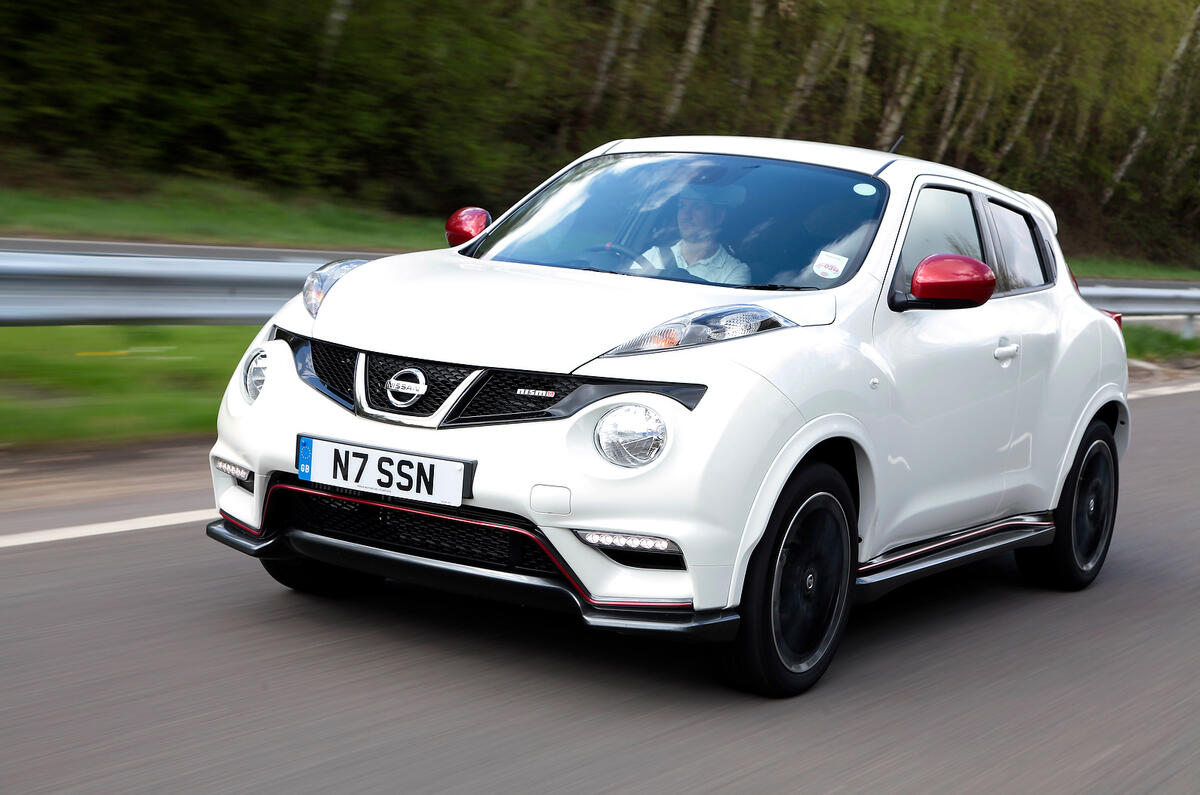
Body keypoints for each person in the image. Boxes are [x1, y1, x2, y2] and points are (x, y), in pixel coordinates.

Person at [639, 183, 751, 285]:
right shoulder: (653, 257)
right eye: (682, 206)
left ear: (719, 216)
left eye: (698, 207)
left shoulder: (733, 272)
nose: (685, 216)